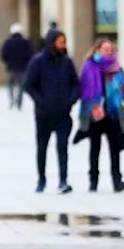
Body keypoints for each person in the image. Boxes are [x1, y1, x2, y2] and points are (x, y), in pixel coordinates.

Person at [73, 39, 124, 193]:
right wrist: (92, 107)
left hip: (113, 112)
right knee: (95, 148)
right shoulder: (89, 67)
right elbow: (83, 91)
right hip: (95, 113)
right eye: (106, 49)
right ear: (97, 50)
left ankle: (117, 181)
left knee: (115, 148)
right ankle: (93, 181)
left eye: (111, 49)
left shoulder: (117, 69)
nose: (109, 52)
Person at [24, 28, 80, 194]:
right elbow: (29, 85)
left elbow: (76, 84)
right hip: (44, 115)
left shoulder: (66, 62)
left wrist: (71, 100)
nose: (63, 45)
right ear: (52, 43)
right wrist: (41, 103)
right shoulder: (38, 61)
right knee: (42, 147)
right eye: (60, 42)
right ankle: (41, 179)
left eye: (64, 42)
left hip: (63, 115)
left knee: (62, 147)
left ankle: (63, 180)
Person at [0, 23, 34, 110]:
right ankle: (19, 103)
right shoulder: (25, 42)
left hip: (11, 68)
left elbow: (3, 54)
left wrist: (8, 62)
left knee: (10, 85)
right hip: (22, 68)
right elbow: (30, 54)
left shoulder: (8, 42)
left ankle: (11, 101)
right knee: (21, 86)